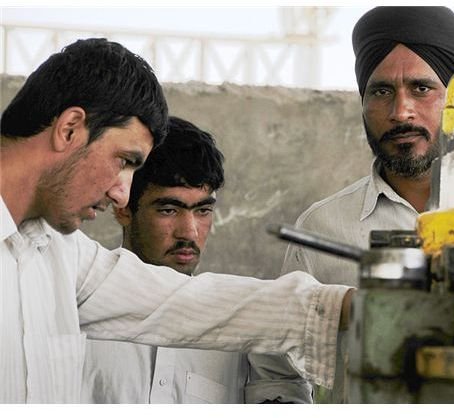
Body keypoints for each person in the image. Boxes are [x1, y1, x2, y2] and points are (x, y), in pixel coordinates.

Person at [0, 37, 353, 403]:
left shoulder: (61, 254)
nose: (121, 193)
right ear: (70, 128)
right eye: (123, 161)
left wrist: (355, 306)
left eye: (203, 209)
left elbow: (188, 302)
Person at [280, 7, 454, 402]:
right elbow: (277, 374)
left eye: (422, 89)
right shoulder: (321, 228)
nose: (401, 112)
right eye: (382, 91)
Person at [81, 116, 312, 403]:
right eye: (168, 209)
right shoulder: (81, 313)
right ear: (123, 208)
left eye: (202, 210)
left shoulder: (239, 326)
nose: (189, 231)